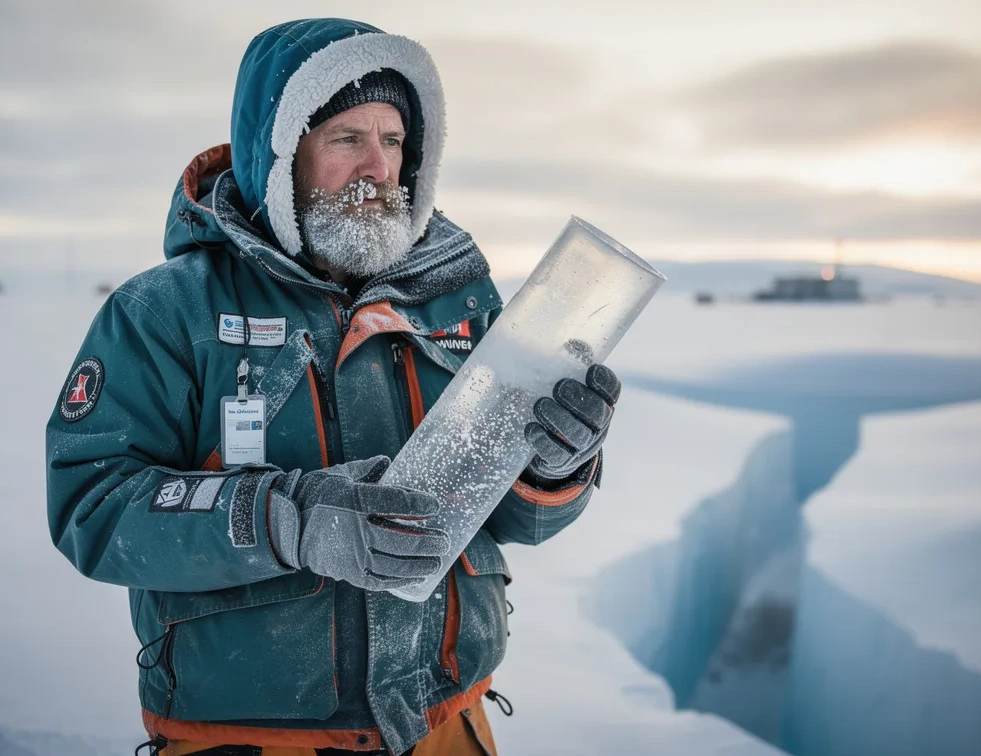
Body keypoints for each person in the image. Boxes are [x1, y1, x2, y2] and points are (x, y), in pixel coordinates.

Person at [45, 18, 620, 756]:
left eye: (393, 141)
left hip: (448, 723)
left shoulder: (456, 298)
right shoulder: (167, 313)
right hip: (251, 738)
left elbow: (510, 519)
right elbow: (93, 507)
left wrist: (554, 466)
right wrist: (290, 521)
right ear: (279, 155)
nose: (378, 168)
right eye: (347, 138)